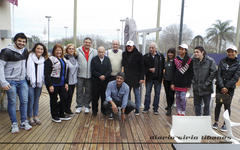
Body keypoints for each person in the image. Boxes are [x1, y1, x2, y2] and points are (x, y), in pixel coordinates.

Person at [0, 33, 32, 133]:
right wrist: (3, 82)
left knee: (24, 101)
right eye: (19, 41)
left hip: (22, 80)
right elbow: (0, 67)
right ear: (15, 41)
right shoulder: (6, 51)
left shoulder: (25, 51)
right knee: (12, 102)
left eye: (24, 41)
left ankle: (23, 122)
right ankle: (14, 123)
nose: (22, 43)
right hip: (10, 81)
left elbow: (26, 64)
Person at [212, 45, 240, 131]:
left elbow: (236, 77)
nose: (230, 53)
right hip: (220, 87)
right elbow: (219, 74)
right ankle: (216, 122)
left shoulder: (238, 64)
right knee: (218, 105)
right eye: (229, 51)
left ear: (236, 53)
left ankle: (225, 124)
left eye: (232, 51)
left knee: (227, 106)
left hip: (230, 89)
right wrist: (222, 86)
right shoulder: (222, 61)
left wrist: (227, 87)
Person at [44, 44, 71, 123]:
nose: (59, 52)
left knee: (65, 97)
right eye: (57, 50)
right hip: (53, 83)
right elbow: (46, 74)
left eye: (60, 50)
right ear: (54, 51)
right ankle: (54, 115)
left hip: (62, 83)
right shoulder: (50, 59)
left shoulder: (64, 59)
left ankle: (61, 114)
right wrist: (50, 85)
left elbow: (66, 72)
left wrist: (66, 83)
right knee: (54, 99)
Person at [27, 43, 48, 126]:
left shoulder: (43, 59)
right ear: (35, 49)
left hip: (39, 83)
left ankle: (35, 116)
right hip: (30, 82)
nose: (40, 50)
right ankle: (30, 117)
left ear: (43, 51)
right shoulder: (29, 57)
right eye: (38, 48)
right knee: (31, 99)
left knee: (36, 99)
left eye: (41, 49)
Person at [192, 46, 217, 116]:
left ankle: (205, 123)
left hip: (206, 88)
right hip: (196, 88)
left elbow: (214, 73)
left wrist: (207, 83)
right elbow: (190, 72)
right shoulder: (193, 60)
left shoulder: (210, 61)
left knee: (206, 107)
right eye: (194, 52)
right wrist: (193, 81)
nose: (195, 53)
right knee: (197, 106)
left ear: (202, 52)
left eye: (197, 52)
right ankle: (198, 121)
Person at [122, 40, 144, 115]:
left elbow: (142, 67)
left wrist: (141, 78)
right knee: (127, 95)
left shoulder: (139, 54)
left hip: (136, 78)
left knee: (137, 94)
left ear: (133, 46)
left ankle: (137, 109)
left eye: (130, 46)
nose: (129, 47)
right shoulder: (124, 54)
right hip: (127, 78)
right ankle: (128, 108)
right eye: (127, 46)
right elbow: (123, 66)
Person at [75, 37, 97, 114]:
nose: (87, 44)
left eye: (89, 42)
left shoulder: (94, 51)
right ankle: (79, 106)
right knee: (79, 91)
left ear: (91, 43)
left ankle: (87, 106)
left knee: (88, 91)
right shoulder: (77, 50)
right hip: (80, 75)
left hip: (90, 75)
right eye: (86, 42)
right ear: (83, 42)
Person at [143, 42, 165, 115]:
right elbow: (143, 68)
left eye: (152, 48)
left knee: (157, 94)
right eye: (150, 47)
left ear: (156, 48)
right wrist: (149, 69)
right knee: (147, 93)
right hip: (149, 78)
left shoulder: (161, 56)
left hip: (158, 79)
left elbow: (163, 67)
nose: (151, 49)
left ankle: (155, 109)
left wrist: (162, 77)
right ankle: (146, 108)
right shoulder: (146, 56)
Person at [171, 44, 193, 116]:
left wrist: (189, 84)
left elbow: (190, 73)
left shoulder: (189, 60)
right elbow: (173, 72)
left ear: (185, 50)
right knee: (177, 97)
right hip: (177, 82)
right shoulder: (175, 60)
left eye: (182, 49)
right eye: (179, 49)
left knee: (182, 97)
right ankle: (178, 111)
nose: (180, 50)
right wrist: (172, 83)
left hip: (185, 83)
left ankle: (183, 111)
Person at [91, 46, 112, 116]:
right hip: (96, 82)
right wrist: (99, 75)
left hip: (105, 82)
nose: (101, 53)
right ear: (97, 52)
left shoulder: (107, 59)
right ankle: (94, 111)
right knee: (95, 97)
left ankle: (103, 111)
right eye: (99, 52)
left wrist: (105, 76)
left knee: (104, 97)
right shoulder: (94, 59)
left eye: (102, 52)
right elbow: (92, 70)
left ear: (104, 52)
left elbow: (109, 70)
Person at [64, 44, 78, 115]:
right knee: (66, 97)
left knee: (70, 97)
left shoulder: (75, 58)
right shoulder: (65, 58)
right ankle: (63, 109)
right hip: (67, 81)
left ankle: (68, 109)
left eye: (72, 49)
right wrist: (65, 82)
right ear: (67, 50)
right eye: (69, 48)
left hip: (74, 81)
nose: (71, 50)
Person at [163, 48, 176, 116]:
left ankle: (170, 108)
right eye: (169, 53)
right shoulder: (166, 61)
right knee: (167, 94)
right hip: (166, 81)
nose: (170, 54)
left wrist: (173, 83)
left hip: (172, 82)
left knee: (171, 95)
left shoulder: (176, 61)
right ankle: (168, 105)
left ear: (174, 54)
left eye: (171, 53)